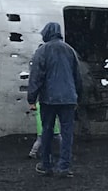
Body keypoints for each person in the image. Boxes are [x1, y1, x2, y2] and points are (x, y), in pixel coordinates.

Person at [27, 22, 83, 177]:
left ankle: (46, 165)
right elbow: (78, 76)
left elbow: (36, 76)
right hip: (68, 98)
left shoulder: (42, 51)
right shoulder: (70, 50)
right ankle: (64, 167)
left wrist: (31, 98)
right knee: (67, 133)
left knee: (47, 131)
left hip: (48, 98)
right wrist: (78, 96)